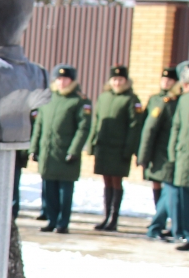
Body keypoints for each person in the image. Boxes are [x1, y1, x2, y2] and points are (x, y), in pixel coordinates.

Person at [29, 64, 90, 234]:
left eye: (65, 79)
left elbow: (83, 128)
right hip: (48, 153)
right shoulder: (48, 98)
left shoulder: (79, 100)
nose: (61, 82)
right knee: (49, 191)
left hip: (65, 153)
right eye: (58, 78)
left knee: (64, 192)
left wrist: (74, 150)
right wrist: (34, 148)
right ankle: (51, 219)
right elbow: (39, 125)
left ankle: (63, 223)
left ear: (71, 80)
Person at [87, 66, 143, 231]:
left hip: (119, 149)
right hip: (104, 148)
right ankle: (106, 216)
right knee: (106, 181)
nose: (117, 82)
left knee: (116, 181)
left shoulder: (131, 99)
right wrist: (92, 144)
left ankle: (114, 218)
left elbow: (134, 127)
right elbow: (97, 122)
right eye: (114, 79)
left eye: (120, 80)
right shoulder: (104, 97)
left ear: (126, 81)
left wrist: (129, 149)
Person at [138, 67, 180, 240]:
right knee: (168, 190)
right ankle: (158, 225)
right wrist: (144, 155)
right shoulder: (163, 101)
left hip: (174, 154)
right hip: (163, 154)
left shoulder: (179, 100)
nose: (166, 82)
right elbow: (149, 129)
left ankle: (168, 224)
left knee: (171, 191)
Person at [163, 63, 189, 249]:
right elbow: (176, 127)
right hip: (183, 156)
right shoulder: (183, 100)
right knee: (182, 198)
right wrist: (172, 152)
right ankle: (183, 234)